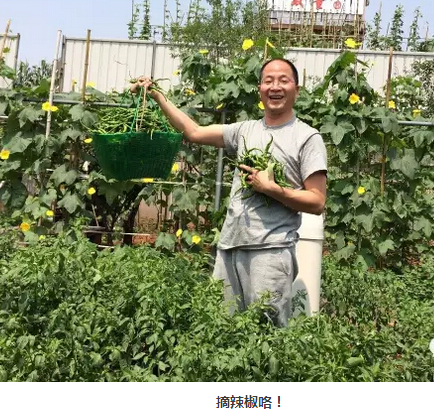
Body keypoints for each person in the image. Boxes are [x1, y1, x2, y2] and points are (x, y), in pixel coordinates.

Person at [130, 59, 327, 327]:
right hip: (230, 247)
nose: (275, 87)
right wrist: (156, 95)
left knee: (267, 333)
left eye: (283, 80)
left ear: (296, 89)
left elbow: (317, 201)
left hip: (270, 251)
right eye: (268, 81)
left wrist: (273, 189)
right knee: (222, 327)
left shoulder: (307, 137)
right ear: (260, 89)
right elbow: (194, 132)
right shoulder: (244, 130)